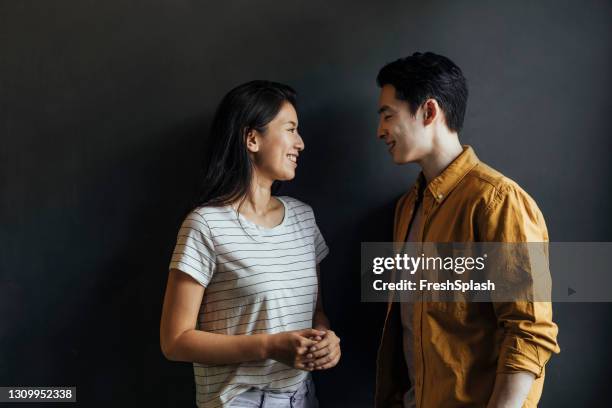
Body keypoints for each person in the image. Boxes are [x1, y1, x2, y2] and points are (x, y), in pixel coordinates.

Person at [373, 52, 560, 408]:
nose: (380, 130)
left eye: (387, 115)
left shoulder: (497, 201)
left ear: (428, 112)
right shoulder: (407, 206)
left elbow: (529, 331)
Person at [160, 80, 340, 408]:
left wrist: (326, 340)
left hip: (304, 397)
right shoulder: (205, 225)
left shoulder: (303, 218)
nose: (300, 143)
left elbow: (315, 313)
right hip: (239, 401)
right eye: (290, 129)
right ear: (252, 138)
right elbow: (175, 341)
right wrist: (268, 346)